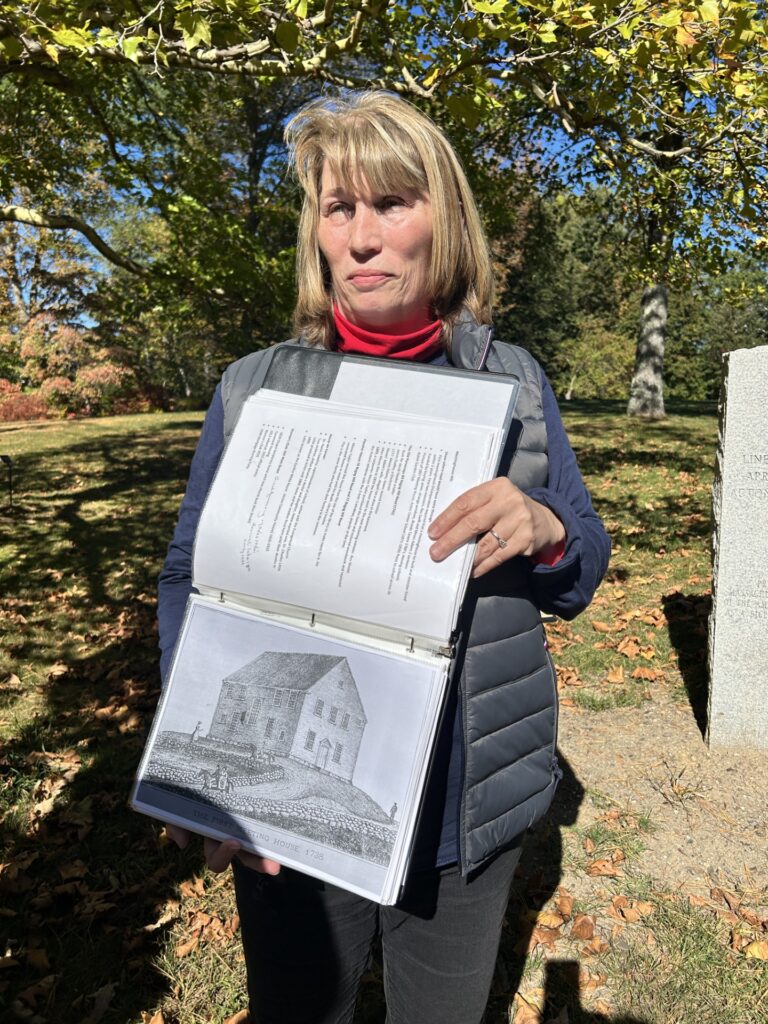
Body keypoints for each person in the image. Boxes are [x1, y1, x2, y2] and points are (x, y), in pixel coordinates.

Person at [158, 91, 610, 1024]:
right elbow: (185, 578)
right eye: (339, 208)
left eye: (392, 203)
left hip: (464, 806)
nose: (363, 237)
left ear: (444, 220)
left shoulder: (514, 383)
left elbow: (585, 566)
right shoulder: (254, 390)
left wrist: (546, 527)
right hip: (290, 826)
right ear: (316, 235)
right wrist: (194, 774)